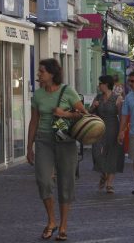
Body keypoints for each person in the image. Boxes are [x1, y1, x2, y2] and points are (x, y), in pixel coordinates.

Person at [26, 58, 86, 241]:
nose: (38, 74)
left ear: (52, 73)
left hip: (65, 141)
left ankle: (63, 226)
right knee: (43, 181)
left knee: (66, 183)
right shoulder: (37, 96)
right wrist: (29, 147)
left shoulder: (68, 92)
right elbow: (34, 121)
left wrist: (65, 114)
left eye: (41, 71)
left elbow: (85, 114)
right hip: (44, 141)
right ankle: (51, 220)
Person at [89, 75, 124, 194]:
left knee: (112, 154)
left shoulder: (117, 98)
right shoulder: (98, 97)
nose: (99, 86)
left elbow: (121, 115)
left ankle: (109, 184)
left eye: (100, 83)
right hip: (98, 127)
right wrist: (94, 106)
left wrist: (121, 131)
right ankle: (103, 174)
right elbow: (89, 112)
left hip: (113, 126)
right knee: (96, 153)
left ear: (106, 84)